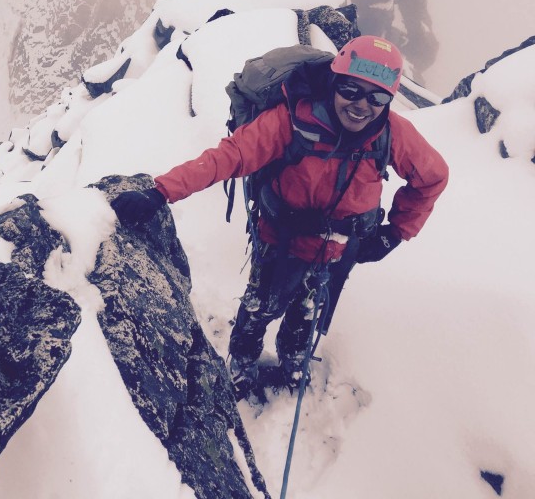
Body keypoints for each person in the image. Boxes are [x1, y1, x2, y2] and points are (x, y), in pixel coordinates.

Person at [110, 36, 449, 399]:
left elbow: (433, 176)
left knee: (309, 310)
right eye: (351, 90)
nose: (361, 105)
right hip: (281, 240)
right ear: (334, 82)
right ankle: (241, 364)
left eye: (377, 97)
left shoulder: (392, 134)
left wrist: (395, 233)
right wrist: (160, 191)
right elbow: (229, 158)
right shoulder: (291, 121)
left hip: (338, 249)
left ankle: (293, 359)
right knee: (260, 308)